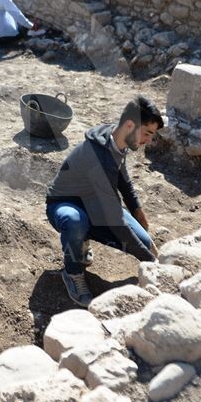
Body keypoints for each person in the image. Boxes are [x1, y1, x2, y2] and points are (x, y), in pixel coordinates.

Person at [45, 96, 162, 306]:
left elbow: (122, 176)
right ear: (130, 125)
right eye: (147, 133)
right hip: (63, 205)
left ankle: (82, 238)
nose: (149, 141)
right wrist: (150, 260)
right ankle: (73, 273)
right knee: (75, 222)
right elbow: (116, 220)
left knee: (143, 241)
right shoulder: (97, 157)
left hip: (94, 204)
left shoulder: (116, 138)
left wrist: (136, 208)